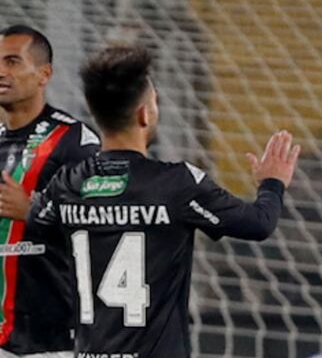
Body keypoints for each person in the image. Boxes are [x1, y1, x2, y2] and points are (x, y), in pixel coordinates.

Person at [27, 46, 300, 358]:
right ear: (145, 113)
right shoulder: (177, 183)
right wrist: (272, 183)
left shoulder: (68, 183)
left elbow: (37, 225)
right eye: (155, 101)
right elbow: (258, 224)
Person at [0, 25, 100, 357]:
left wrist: (34, 210)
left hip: (52, 340)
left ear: (44, 74)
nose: (1, 71)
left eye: (12, 61)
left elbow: (107, 225)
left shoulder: (74, 141)